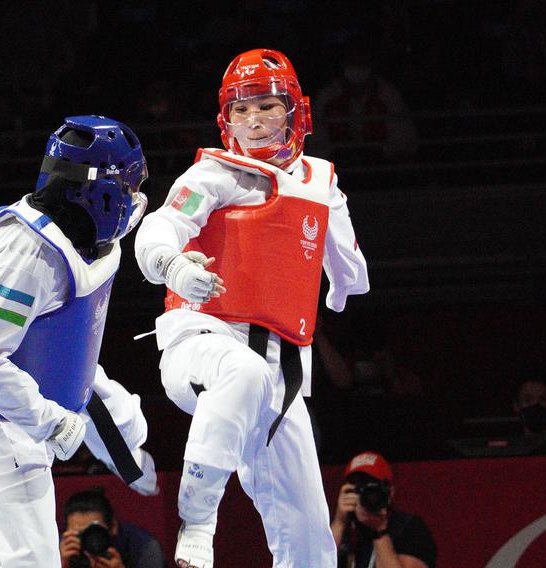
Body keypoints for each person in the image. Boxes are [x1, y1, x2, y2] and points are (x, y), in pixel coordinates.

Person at [134, 48, 370, 567]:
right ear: (226, 119)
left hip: (283, 378)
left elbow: (350, 271)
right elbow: (158, 230)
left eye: (266, 105)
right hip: (202, 344)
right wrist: (175, 267)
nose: (255, 121)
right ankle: (197, 522)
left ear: (295, 112)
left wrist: (338, 287)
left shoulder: (322, 185)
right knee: (241, 372)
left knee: (311, 543)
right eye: (241, 109)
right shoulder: (216, 176)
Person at [0, 116, 158, 567]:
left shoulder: (83, 228)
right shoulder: (27, 259)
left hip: (49, 361)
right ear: (98, 192)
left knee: (131, 425)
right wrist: (50, 422)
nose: (134, 199)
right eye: (127, 187)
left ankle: (129, 459)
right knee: (33, 558)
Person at [331, 451, 436, 568]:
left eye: (372, 488)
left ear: (389, 492)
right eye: (359, 487)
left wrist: (379, 531)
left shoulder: (409, 528)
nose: (366, 495)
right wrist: (339, 523)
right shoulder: (342, 528)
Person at [60, 487, 165, 568]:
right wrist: (58, 563)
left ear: (113, 526)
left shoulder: (144, 548)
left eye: (95, 532)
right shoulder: (62, 550)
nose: (90, 540)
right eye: (80, 534)